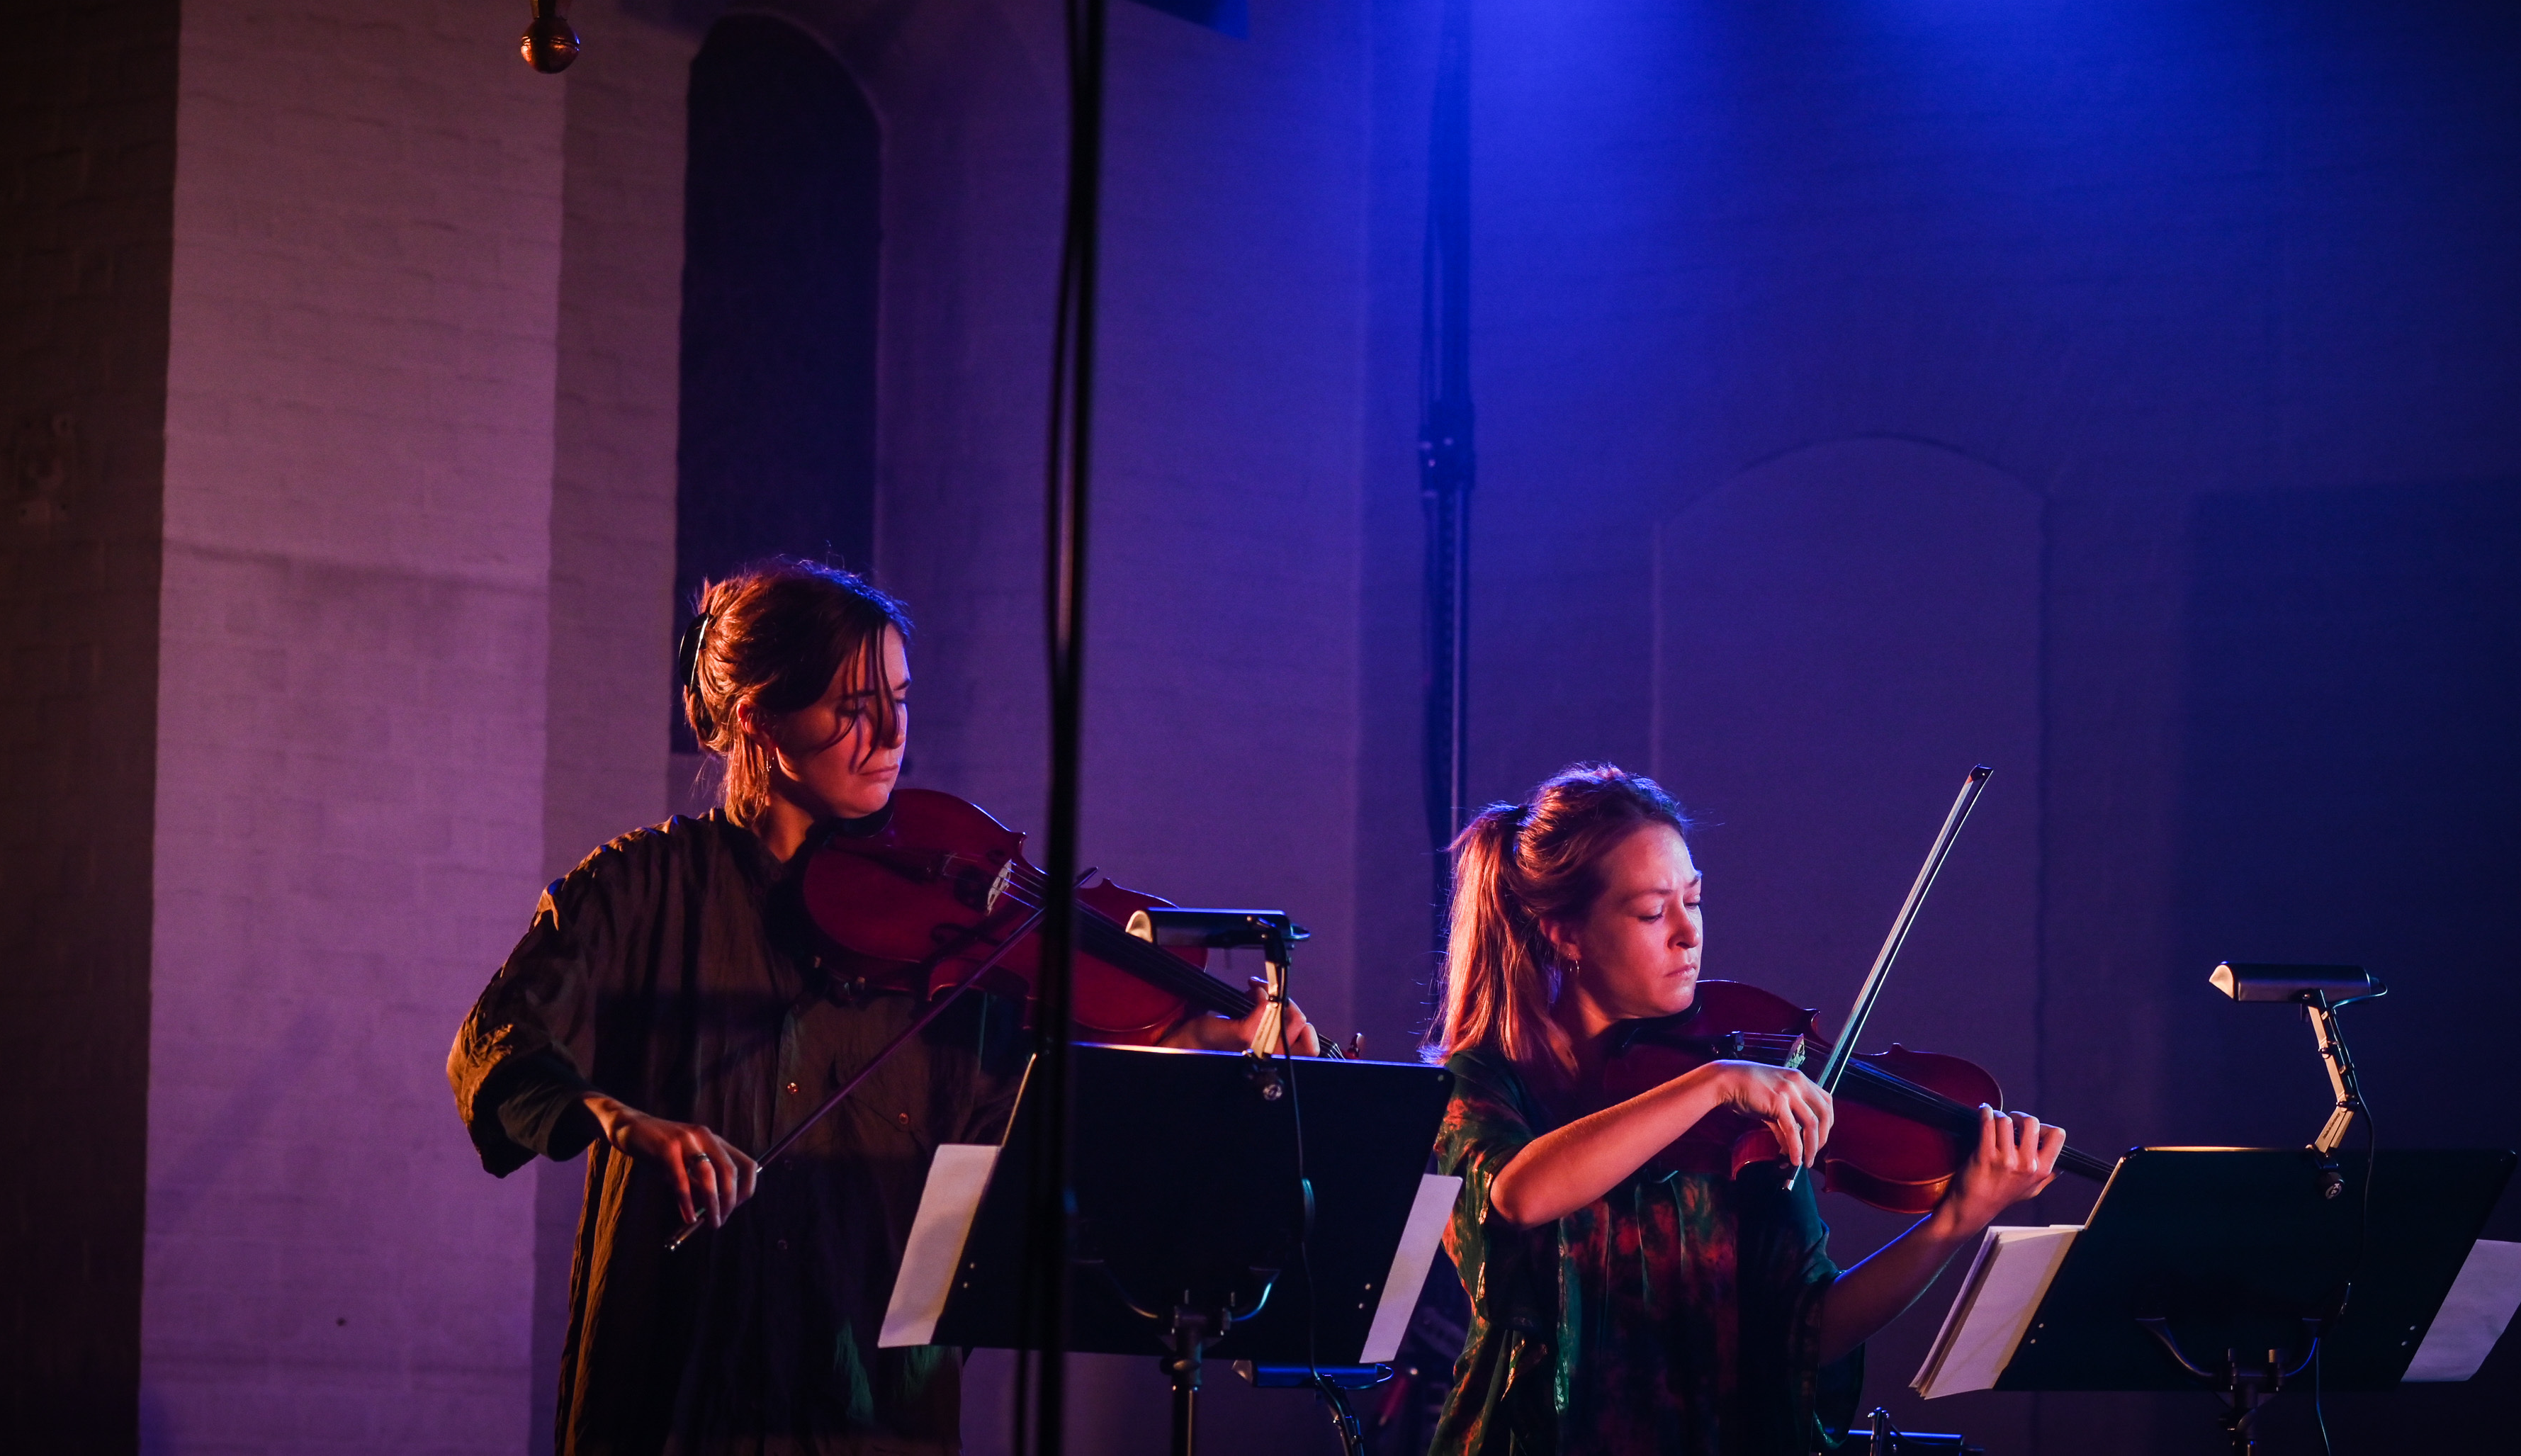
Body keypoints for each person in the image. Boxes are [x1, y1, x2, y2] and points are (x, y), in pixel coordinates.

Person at [449, 558, 1312, 1455]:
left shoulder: (949, 928)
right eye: (854, 708)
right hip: (678, 1394)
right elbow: (495, 1051)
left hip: (870, 1408)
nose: (892, 735)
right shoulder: (638, 886)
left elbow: (1029, 1116)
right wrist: (617, 1118)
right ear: (761, 720)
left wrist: (1199, 1037)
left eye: (901, 699)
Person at [1423, 763, 2065, 1456]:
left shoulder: (1742, 1113)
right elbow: (1518, 1194)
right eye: (1651, 912)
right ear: (1565, 934)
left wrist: (1955, 1221)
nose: (1687, 933)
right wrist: (1712, 1083)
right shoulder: (1485, 1082)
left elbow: (1811, 1333)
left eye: (1694, 901)